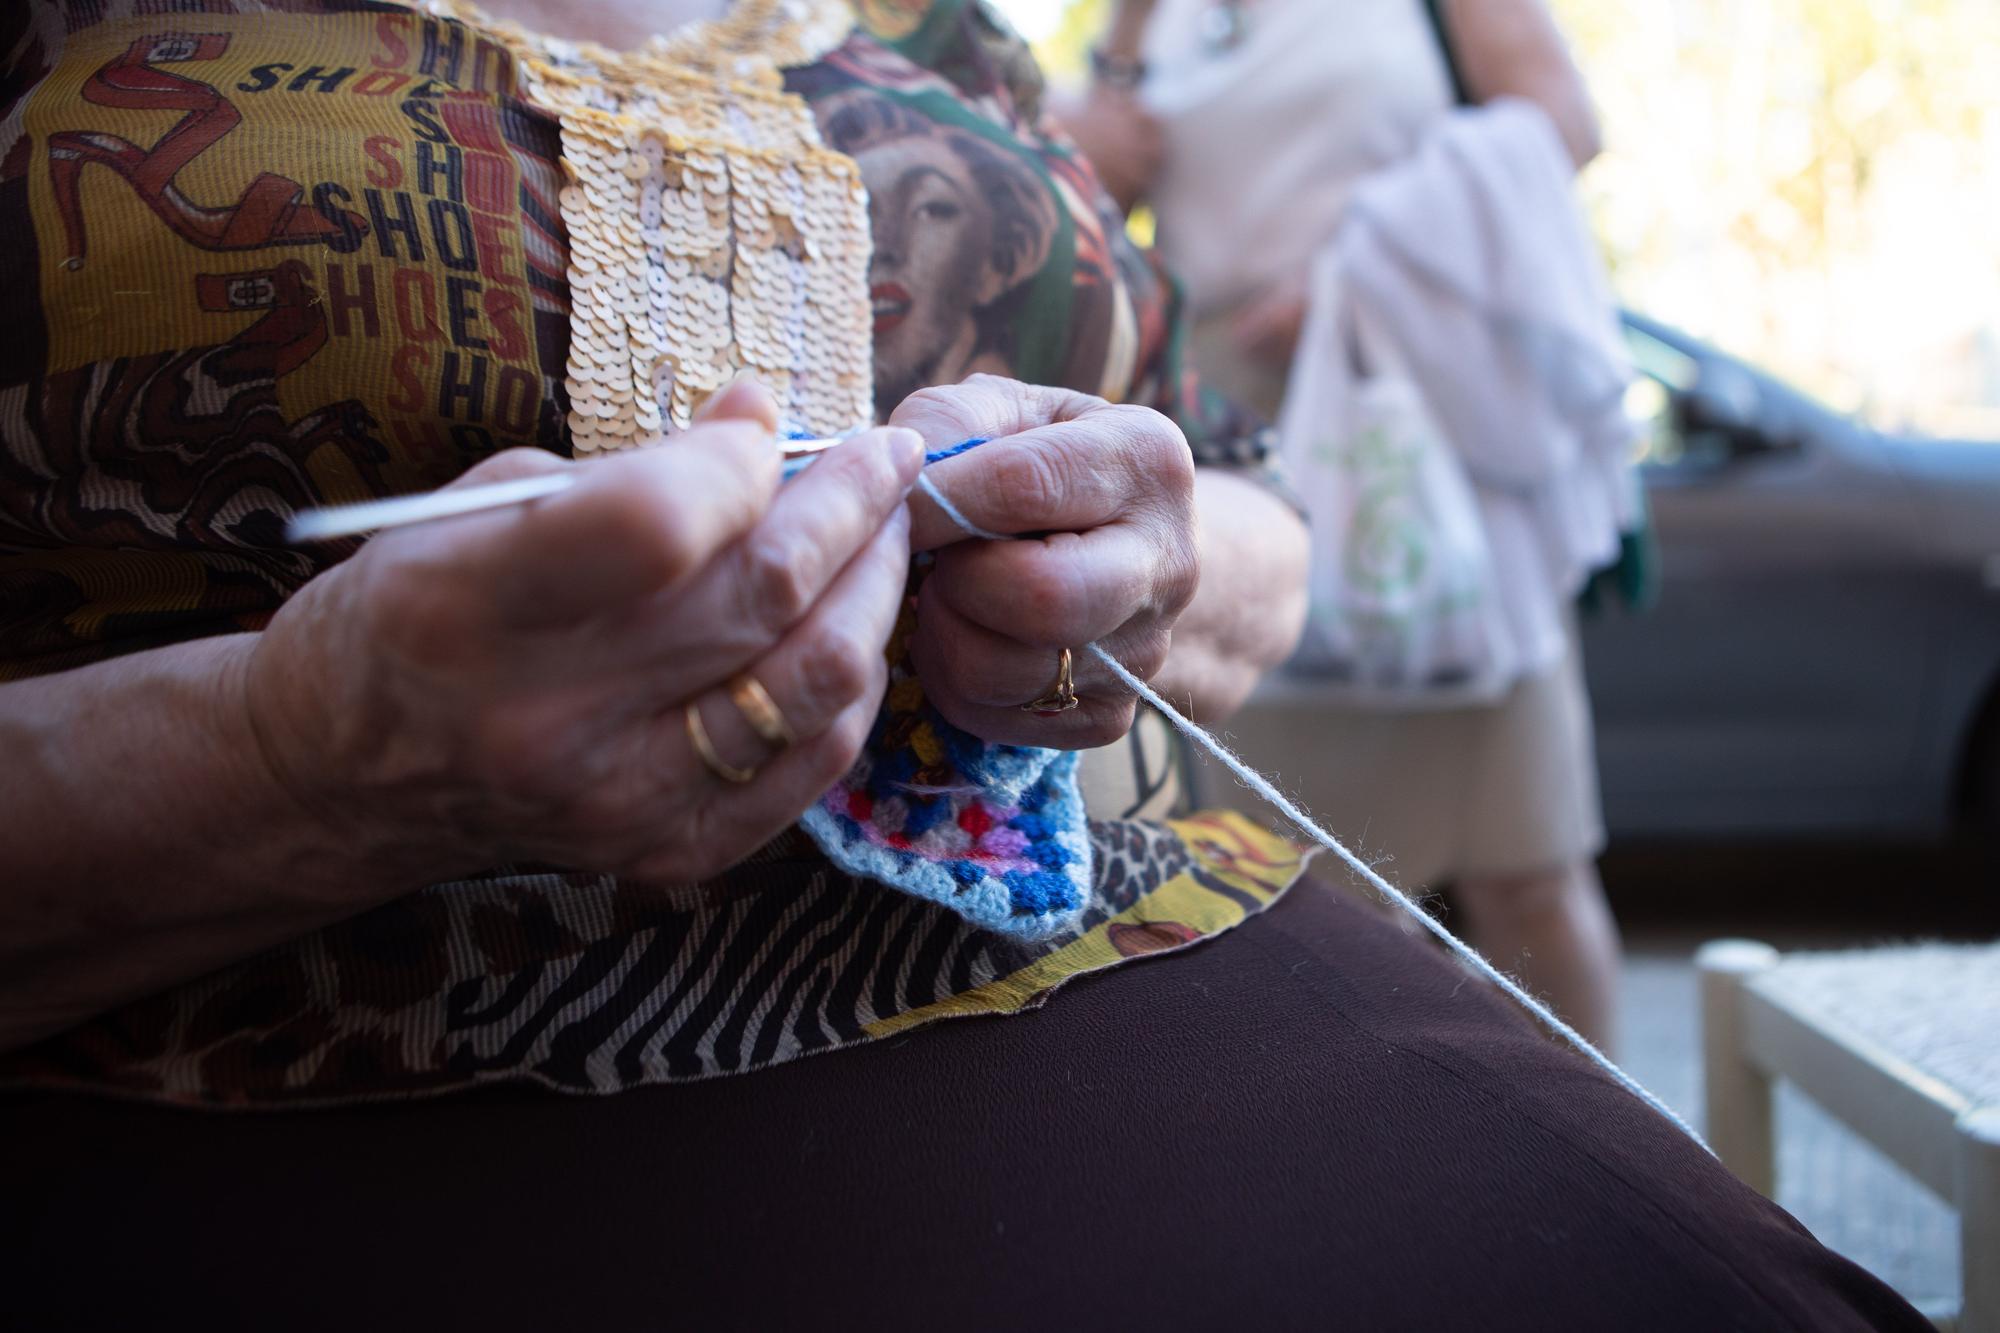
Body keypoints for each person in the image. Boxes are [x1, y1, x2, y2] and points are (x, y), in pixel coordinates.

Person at [0, 2, 1928, 1328]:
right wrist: (308, 756)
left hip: (1170, 939)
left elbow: (1235, 492)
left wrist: (1149, 555)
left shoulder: (946, 33)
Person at [1066, 0, 1628, 1052]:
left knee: (1526, 874)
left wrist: (1355, 273)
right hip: (1232, 455)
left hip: (1409, 427)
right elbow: (1099, 181)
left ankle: (1616, 1178)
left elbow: (1560, 118)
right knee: (1273, 884)